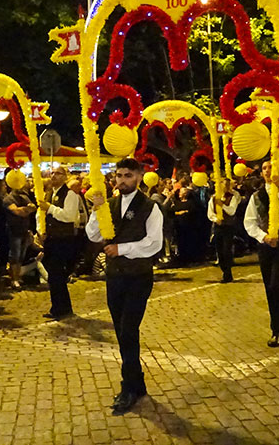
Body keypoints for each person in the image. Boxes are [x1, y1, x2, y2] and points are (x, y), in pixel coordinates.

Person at [86, 158, 163, 416]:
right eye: (118, 175)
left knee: (128, 329)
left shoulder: (150, 207)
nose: (121, 180)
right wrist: (97, 211)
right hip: (115, 276)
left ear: (140, 176)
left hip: (138, 276)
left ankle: (128, 386)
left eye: (127, 175)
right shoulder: (109, 204)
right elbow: (93, 235)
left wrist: (123, 249)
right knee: (121, 330)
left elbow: (154, 243)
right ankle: (137, 381)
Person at [244, 160, 279, 347]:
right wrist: (263, 237)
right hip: (265, 247)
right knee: (269, 288)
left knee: (277, 285)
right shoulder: (257, 196)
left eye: (271, 167)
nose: (267, 171)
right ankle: (276, 329)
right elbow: (250, 222)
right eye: (264, 168)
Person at [39, 167, 82, 320]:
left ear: (65, 177)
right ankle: (60, 306)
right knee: (54, 275)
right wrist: (41, 230)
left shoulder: (70, 194)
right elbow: (43, 214)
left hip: (63, 239)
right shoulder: (50, 193)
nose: (54, 176)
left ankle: (60, 308)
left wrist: (50, 208)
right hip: (52, 238)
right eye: (52, 173)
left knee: (57, 274)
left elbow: (69, 216)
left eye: (58, 174)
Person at [2, 182, 36, 289]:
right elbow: (17, 211)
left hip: (24, 230)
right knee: (15, 255)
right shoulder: (8, 199)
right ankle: (14, 279)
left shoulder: (24, 197)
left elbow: (33, 207)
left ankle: (17, 276)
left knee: (21, 255)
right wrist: (27, 210)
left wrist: (25, 210)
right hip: (14, 231)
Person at [209, 185, 242, 283]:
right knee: (219, 251)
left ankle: (227, 274)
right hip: (218, 227)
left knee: (226, 250)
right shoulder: (214, 198)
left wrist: (222, 205)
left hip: (228, 227)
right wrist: (215, 219)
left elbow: (232, 211)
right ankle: (224, 270)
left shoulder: (233, 197)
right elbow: (210, 212)